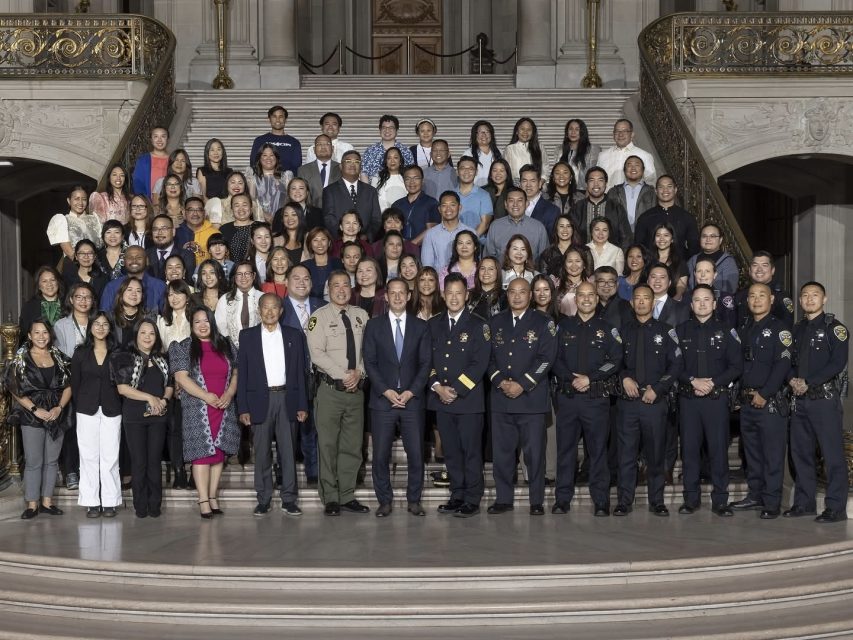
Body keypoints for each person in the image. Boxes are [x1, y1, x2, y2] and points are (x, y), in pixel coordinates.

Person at [486, 278, 557, 516]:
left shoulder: (543, 322)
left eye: (522, 292)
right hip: (501, 398)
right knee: (503, 454)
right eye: (512, 292)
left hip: (531, 400)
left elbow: (546, 359)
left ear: (530, 295)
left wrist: (523, 384)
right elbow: (488, 358)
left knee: (535, 454)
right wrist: (500, 381)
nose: (517, 296)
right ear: (507, 295)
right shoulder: (495, 322)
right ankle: (503, 498)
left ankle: (536, 500)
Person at [551, 281, 621, 516]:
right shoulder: (563, 327)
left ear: (596, 297)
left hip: (595, 399)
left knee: (598, 452)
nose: (587, 299)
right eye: (582, 295)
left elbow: (615, 359)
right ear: (575, 299)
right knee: (565, 451)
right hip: (568, 399)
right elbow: (554, 358)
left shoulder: (608, 328)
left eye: (591, 295)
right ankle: (562, 499)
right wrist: (571, 379)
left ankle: (601, 501)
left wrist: (590, 378)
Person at [234, 294, 308, 516]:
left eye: (274, 308)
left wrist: (302, 404)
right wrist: (243, 408)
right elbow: (243, 374)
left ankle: (289, 498)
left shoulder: (294, 335)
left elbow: (300, 374)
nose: (269, 312)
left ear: (281, 311)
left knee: (287, 452)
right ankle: (264, 498)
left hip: (287, 398)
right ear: (259, 310)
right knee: (262, 452)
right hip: (259, 400)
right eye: (265, 308)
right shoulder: (247, 336)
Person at [363, 278, 431, 517]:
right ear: (386, 297)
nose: (398, 297)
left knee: (416, 454)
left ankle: (414, 500)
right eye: (393, 293)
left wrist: (411, 391)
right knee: (380, 455)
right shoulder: (373, 326)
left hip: (412, 401)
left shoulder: (421, 327)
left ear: (409, 296)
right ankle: (385, 501)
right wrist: (386, 390)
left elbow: (425, 364)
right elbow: (369, 363)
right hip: (383, 401)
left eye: (402, 293)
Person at [305, 270, 371, 516]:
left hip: (356, 391)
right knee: (328, 445)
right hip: (330, 390)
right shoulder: (318, 318)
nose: (341, 289)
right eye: (336, 285)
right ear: (328, 289)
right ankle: (331, 496)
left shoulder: (361, 315)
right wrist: (345, 374)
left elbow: (369, 351)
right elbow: (316, 354)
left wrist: (359, 373)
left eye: (345, 285)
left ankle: (347, 495)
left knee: (352, 446)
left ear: (351, 288)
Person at [614, 284, 682, 517]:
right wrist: (624, 378)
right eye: (637, 299)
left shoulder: (666, 331)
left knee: (655, 454)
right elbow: (615, 363)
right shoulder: (622, 332)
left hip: (654, 402)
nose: (642, 302)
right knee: (626, 454)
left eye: (646, 298)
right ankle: (624, 500)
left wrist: (660, 388)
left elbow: (676, 365)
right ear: (631, 303)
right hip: (628, 403)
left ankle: (657, 501)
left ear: (653, 303)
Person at [675, 284, 742, 517]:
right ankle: (690, 500)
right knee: (690, 451)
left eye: (706, 300)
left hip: (716, 400)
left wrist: (713, 382)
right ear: (691, 305)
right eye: (697, 300)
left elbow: (736, 366)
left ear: (714, 304)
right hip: (689, 400)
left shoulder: (727, 331)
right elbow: (674, 367)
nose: (702, 304)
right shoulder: (680, 331)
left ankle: (720, 501)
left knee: (718, 451)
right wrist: (693, 380)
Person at [428, 273, 491, 517]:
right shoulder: (433, 324)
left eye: (459, 293)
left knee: (471, 452)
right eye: (450, 293)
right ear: (443, 296)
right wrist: (437, 387)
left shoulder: (479, 325)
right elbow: (427, 361)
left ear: (466, 295)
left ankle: (472, 498)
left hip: (468, 402)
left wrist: (456, 389)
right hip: (441, 400)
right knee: (451, 452)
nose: (454, 298)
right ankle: (457, 495)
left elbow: (479, 363)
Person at [786, 281, 849, 523]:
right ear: (800, 300)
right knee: (800, 454)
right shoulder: (795, 330)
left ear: (824, 299)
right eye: (805, 295)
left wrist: (808, 382)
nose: (809, 299)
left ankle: (835, 507)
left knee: (832, 455)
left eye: (815, 295)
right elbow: (786, 361)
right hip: (798, 400)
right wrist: (792, 380)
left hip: (823, 400)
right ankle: (804, 503)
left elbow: (837, 363)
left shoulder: (835, 328)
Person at [730, 283, 792, 519]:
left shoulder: (780, 329)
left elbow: (782, 365)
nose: (756, 300)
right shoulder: (744, 328)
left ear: (771, 299)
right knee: (752, 454)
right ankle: (755, 495)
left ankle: (772, 501)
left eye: (761, 295)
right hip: (747, 402)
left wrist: (765, 393)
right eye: (752, 296)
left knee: (772, 454)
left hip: (770, 402)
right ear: (747, 302)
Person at [171, 307, 240, 518]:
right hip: (197, 407)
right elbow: (181, 378)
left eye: (206, 321)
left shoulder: (226, 345)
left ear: (212, 322)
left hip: (223, 405)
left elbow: (236, 372)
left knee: (218, 454)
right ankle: (203, 500)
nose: (202, 325)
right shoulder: (183, 347)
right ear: (192, 326)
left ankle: (213, 497)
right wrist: (205, 396)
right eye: (197, 322)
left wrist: (229, 393)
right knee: (201, 455)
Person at [5, 318, 72, 520]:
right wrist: (35, 409)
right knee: (34, 461)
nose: (41, 336)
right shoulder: (22, 358)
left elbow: (69, 385)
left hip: (55, 413)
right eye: (37, 332)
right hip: (31, 414)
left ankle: (47, 502)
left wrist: (59, 408)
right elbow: (14, 388)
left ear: (50, 335)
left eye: (45, 332)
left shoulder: (59, 357)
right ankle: (32, 504)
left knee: (52, 461)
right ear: (29, 335)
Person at [112, 319, 173, 518]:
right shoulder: (125, 357)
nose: (147, 337)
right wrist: (148, 397)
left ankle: (155, 504)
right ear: (136, 336)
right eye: (143, 333)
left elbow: (170, 384)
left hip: (158, 417)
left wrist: (163, 400)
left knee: (154, 461)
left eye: (152, 333)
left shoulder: (162, 359)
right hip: (134, 417)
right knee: (139, 462)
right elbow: (122, 388)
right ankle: (140, 505)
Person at [70, 312, 121, 518]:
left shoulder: (118, 353)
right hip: (86, 409)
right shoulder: (80, 353)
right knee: (88, 456)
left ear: (110, 328)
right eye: (96, 324)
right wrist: (81, 403)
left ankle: (110, 501)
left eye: (105, 324)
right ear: (90, 327)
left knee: (110, 456)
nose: (100, 327)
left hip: (112, 408)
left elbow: (123, 383)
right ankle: (91, 501)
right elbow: (75, 384)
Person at [281, 264, 325, 487]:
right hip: (288, 377)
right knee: (287, 427)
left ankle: (313, 470)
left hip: (319, 376)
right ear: (286, 282)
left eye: (306, 278)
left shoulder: (322, 306)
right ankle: (283, 471)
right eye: (295, 278)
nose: (301, 282)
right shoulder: (277, 308)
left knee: (314, 427)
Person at [53, 282, 95, 490]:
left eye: (87, 297)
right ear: (71, 299)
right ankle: (70, 471)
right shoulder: (61, 325)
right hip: (71, 382)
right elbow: (59, 356)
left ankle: (89, 470)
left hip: (95, 383)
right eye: (78, 296)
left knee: (91, 429)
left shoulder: (98, 322)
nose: (83, 300)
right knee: (71, 427)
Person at [634, 175, 700, 261]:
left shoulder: (687, 217)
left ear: (675, 190)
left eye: (669, 186)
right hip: (652, 268)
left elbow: (694, 247)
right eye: (661, 187)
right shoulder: (645, 217)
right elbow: (639, 246)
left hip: (680, 267)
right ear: (656, 191)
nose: (665, 190)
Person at [323, 150, 382, 240]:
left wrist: (367, 237)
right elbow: (329, 218)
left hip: (365, 243)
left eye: (356, 162)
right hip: (339, 242)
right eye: (348, 161)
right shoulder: (330, 190)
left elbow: (376, 220)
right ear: (341, 166)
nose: (352, 164)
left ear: (361, 167)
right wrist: (344, 237)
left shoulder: (371, 191)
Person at [568, 167, 632, 248]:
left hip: (611, 258)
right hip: (582, 257)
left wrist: (620, 258)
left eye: (600, 180)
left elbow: (626, 238)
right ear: (586, 184)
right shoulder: (577, 207)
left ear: (606, 183)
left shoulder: (616, 207)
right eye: (592, 180)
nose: (596, 184)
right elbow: (570, 235)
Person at [484, 187, 548, 262]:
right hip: (502, 272)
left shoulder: (538, 227)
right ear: (505, 204)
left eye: (519, 200)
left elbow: (545, 259)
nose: (515, 204)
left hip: (531, 273)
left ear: (527, 204)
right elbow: (488, 258)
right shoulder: (495, 226)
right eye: (511, 201)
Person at [734, 250, 794, 329]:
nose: (759, 269)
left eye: (764, 265)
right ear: (749, 270)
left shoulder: (781, 296)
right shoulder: (741, 295)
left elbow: (786, 326)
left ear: (772, 270)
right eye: (755, 265)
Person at [46, 185, 103, 263]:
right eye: (76, 199)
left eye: (84, 199)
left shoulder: (95, 219)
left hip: (98, 265)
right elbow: (70, 254)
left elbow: (102, 246)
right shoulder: (62, 220)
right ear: (69, 201)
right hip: (75, 266)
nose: (80, 203)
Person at [421, 191, 475, 271]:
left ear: (459, 207)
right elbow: (427, 266)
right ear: (439, 209)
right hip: (438, 281)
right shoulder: (431, 234)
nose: (448, 209)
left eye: (452, 205)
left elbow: (475, 262)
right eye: (444, 205)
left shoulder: (471, 232)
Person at [596, 119, 656, 190]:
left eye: (625, 131)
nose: (620, 134)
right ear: (613, 134)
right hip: (607, 199)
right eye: (617, 131)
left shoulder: (644, 156)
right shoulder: (603, 156)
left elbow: (651, 183)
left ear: (632, 134)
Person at [215, 260, 263, 350]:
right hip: (232, 351)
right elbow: (220, 327)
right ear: (234, 277)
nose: (243, 277)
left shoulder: (263, 297)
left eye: (247, 273)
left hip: (260, 349)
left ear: (254, 276)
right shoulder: (225, 299)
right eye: (239, 274)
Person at [391, 166, 440, 247]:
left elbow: (431, 229)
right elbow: (392, 229)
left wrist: (411, 245)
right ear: (404, 181)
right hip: (399, 249)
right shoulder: (396, 205)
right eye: (408, 179)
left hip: (423, 250)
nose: (412, 182)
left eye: (416, 178)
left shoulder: (432, 203)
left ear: (422, 180)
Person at [686, 222, 739, 293]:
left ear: (720, 240)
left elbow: (729, 290)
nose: (708, 239)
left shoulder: (728, 262)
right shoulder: (692, 260)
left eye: (713, 236)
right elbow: (685, 287)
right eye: (704, 236)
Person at [608, 156, 656, 232]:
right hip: (619, 236)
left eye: (637, 165)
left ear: (643, 170)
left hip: (644, 236)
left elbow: (655, 217)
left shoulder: (652, 192)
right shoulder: (614, 192)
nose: (633, 168)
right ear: (624, 170)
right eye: (629, 165)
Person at [360, 114, 415, 181]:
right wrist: (369, 191)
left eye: (391, 128)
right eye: (384, 127)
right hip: (373, 190)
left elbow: (411, 173)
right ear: (380, 130)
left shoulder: (405, 151)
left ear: (396, 130)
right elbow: (364, 173)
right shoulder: (370, 151)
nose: (387, 130)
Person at [248, 105, 302, 173]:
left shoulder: (294, 143)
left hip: (287, 182)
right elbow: (253, 164)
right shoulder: (259, 141)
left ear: (285, 119)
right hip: (263, 182)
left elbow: (297, 167)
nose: (277, 119)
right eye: (274, 116)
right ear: (269, 119)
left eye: (281, 116)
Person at [248, 144, 292, 223]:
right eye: (264, 155)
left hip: (282, 221)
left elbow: (290, 199)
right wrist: (264, 214)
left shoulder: (286, 177)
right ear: (259, 158)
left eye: (272, 155)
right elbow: (252, 200)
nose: (268, 158)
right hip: (260, 221)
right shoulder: (253, 178)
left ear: (276, 158)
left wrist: (278, 216)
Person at [146, 214, 195, 282]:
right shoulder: (145, 255)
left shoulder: (186, 255)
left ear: (173, 231)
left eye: (164, 228)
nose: (159, 233)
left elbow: (188, 283)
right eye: (155, 229)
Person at [20, 266, 65, 337]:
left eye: (52, 280)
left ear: (58, 282)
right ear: (39, 286)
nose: (49, 284)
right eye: (44, 281)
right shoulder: (28, 308)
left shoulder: (69, 305)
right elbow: (24, 335)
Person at [298, 134, 341, 208]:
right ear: (314, 150)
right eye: (319, 144)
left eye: (327, 144)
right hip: (311, 215)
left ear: (332, 148)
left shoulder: (341, 168)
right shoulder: (303, 170)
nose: (323, 147)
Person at [556, 118, 599, 191]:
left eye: (577, 129)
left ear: (582, 132)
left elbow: (595, 173)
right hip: (564, 191)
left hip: (584, 191)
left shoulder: (593, 150)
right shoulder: (560, 150)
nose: (573, 132)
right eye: (570, 129)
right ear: (567, 132)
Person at [455, 156, 493, 238]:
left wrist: (469, 242)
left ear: (476, 172)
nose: (466, 171)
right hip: (451, 242)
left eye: (471, 169)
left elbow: (485, 223)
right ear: (457, 172)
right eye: (462, 168)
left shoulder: (484, 195)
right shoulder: (450, 195)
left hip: (475, 244)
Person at [650, 223, 688, 301]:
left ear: (672, 239)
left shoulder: (679, 262)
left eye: (666, 235)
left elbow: (681, 286)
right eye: (658, 235)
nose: (661, 239)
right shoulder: (648, 260)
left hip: (673, 302)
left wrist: (676, 298)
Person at [303, 227, 343, 299]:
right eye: (315, 240)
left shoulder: (338, 263)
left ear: (329, 242)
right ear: (310, 244)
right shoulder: (304, 266)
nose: (320, 244)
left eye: (323, 239)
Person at [519, 164, 559, 236]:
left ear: (540, 183)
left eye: (533, 181)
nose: (528, 185)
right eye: (524, 181)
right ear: (520, 184)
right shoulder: (512, 207)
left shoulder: (552, 210)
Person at [131, 125, 170, 198]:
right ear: (151, 140)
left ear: (167, 139)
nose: (159, 140)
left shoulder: (172, 160)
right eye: (156, 136)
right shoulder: (143, 160)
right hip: (148, 202)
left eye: (163, 136)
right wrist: (146, 201)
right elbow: (138, 183)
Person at [554, 246, 594, 317]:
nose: (574, 265)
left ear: (584, 265)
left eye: (578, 261)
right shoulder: (555, 284)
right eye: (570, 261)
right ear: (564, 265)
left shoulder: (592, 284)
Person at [179, 197, 218, 266]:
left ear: (204, 213)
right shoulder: (176, 234)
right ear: (184, 213)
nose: (195, 214)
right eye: (191, 210)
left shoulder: (214, 234)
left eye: (199, 210)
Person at [503, 117, 544, 182]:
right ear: (517, 131)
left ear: (533, 133)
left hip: (536, 187)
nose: (525, 132)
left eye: (529, 129)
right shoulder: (510, 149)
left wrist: (540, 182)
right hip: (516, 188)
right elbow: (506, 171)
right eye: (522, 129)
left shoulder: (539, 147)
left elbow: (545, 167)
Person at [219, 193, 257, 263]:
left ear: (251, 208)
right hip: (232, 271)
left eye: (244, 205)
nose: (241, 209)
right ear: (232, 209)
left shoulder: (261, 227)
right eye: (237, 205)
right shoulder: (224, 229)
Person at [648, 263, 689, 327]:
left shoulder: (681, 308)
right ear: (647, 281)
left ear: (669, 282)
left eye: (662, 277)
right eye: (653, 277)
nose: (657, 280)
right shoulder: (638, 305)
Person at [462, 120, 501, 187]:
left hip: (495, 192)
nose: (484, 134)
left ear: (491, 134)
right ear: (475, 135)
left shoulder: (498, 153)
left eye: (487, 131)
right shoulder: (468, 153)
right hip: (476, 193)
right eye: (480, 132)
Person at [372, 147, 407, 213]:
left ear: (400, 161)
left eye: (395, 157)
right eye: (389, 158)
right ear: (386, 161)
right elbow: (373, 201)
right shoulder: (377, 178)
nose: (392, 161)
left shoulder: (406, 177)